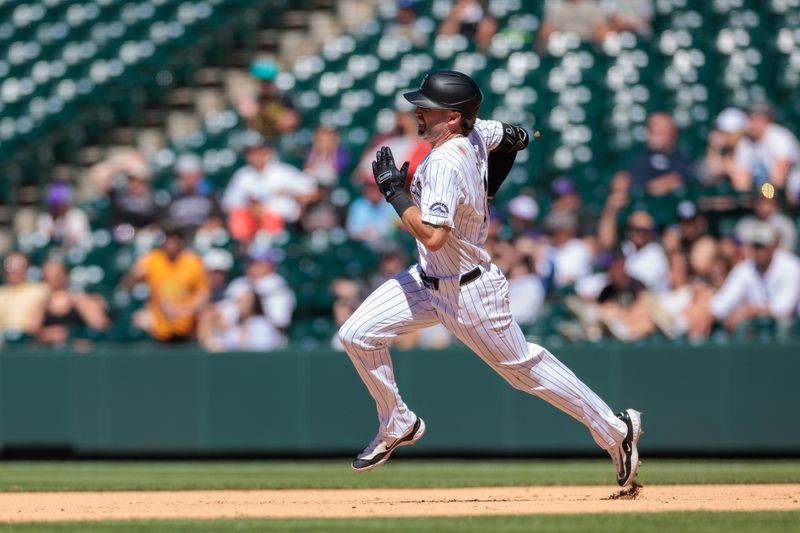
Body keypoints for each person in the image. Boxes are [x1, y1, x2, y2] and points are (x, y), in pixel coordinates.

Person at [338, 70, 642, 485]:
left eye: (428, 109)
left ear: (452, 117)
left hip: (468, 292)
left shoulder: (446, 161)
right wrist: (489, 189)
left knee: (524, 371)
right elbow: (518, 137)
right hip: (428, 278)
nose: (419, 114)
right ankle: (397, 422)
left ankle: (614, 430)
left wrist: (395, 193)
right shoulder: (478, 128)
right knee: (357, 334)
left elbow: (434, 235)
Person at [124, 225, 210, 342]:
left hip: (188, 324)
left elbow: (203, 294)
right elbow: (127, 285)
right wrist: (134, 273)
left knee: (207, 317)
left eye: (175, 237)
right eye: (168, 237)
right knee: (138, 319)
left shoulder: (192, 261)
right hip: (159, 324)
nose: (172, 242)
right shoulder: (153, 259)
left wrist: (184, 310)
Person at [710, 222, 800, 333]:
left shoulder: (791, 266)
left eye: (762, 246)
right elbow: (719, 306)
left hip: (791, 334)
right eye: (754, 246)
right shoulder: (745, 268)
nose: (757, 251)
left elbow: (784, 308)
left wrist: (748, 311)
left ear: (774, 246)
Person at [27, 259, 110, 346]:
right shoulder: (42, 304)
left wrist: (70, 334)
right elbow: (31, 331)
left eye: (56, 275)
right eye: (47, 275)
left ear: (65, 276)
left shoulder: (80, 299)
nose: (51, 278)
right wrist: (49, 334)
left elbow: (101, 325)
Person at [732, 101, 800, 204]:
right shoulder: (745, 143)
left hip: (792, 184)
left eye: (758, 119)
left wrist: (763, 198)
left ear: (767, 120)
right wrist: (747, 198)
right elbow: (741, 180)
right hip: (764, 191)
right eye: (750, 118)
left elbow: (779, 178)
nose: (753, 123)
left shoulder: (779, 137)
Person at [613, 112, 691, 197]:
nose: (655, 133)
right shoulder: (636, 153)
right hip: (634, 200)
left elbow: (680, 178)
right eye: (652, 129)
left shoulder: (681, 157)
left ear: (672, 133)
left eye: (661, 130)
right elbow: (622, 177)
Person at [164, 153, 225, 239]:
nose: (186, 180)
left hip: (204, 237)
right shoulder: (172, 199)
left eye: (189, 176)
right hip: (179, 239)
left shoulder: (210, 196)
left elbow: (219, 219)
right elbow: (165, 222)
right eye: (182, 177)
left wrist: (205, 229)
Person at [236, 59, 300, 140]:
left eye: (267, 81)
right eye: (262, 81)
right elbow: (251, 126)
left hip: (281, 142)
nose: (264, 84)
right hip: (261, 143)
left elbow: (290, 123)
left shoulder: (285, 98)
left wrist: (261, 110)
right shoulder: (255, 99)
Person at [0, 252, 49, 337]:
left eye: (19, 266)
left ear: (27, 268)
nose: (14, 270)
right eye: (10, 266)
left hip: (31, 339)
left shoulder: (41, 289)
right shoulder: (2, 293)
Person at [33, 182, 91, 248]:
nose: (56, 209)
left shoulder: (77, 215)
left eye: (60, 205)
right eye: (54, 206)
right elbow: (40, 241)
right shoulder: (45, 218)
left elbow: (84, 239)